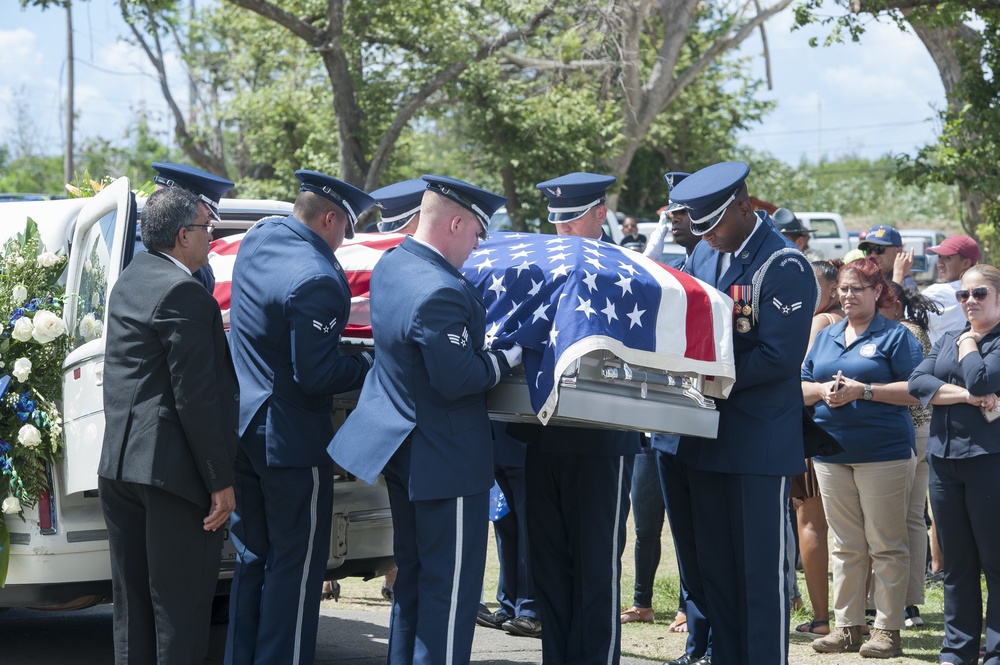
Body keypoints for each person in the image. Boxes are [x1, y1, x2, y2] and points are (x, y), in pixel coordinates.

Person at [328, 175, 520, 665]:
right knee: (449, 592)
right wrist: (508, 357)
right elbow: (458, 377)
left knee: (413, 579)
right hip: (445, 460)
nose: (478, 246)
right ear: (455, 222)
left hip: (405, 449)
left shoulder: (394, 263)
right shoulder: (440, 290)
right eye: (477, 233)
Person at [659, 162, 816, 665]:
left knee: (758, 575)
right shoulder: (707, 251)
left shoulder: (783, 263)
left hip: (756, 442)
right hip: (704, 437)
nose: (707, 237)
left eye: (714, 224)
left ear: (746, 206)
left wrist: (704, 378)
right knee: (716, 572)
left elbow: (778, 356)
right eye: (699, 227)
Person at [225, 170, 377, 665]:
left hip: (244, 428)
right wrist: (369, 364)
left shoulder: (260, 237)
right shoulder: (318, 278)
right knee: (297, 564)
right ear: (329, 218)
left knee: (253, 559)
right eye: (343, 230)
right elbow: (316, 375)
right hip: (290, 440)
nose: (343, 243)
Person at [98, 187, 239, 665]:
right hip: (171, 475)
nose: (211, 237)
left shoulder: (131, 278)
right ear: (183, 236)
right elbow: (195, 398)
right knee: (179, 613)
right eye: (206, 228)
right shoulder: (185, 291)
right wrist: (220, 481)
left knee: (134, 611)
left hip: (121, 469)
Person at [506, 172, 641, 665]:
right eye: (556, 222)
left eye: (573, 220)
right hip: (541, 436)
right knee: (547, 566)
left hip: (603, 438)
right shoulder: (540, 267)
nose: (561, 231)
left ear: (601, 215)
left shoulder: (630, 268)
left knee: (594, 568)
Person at [801, 257, 922, 659]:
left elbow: (917, 390)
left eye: (858, 289)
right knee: (846, 544)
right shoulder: (826, 335)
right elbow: (799, 385)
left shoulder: (896, 336)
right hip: (831, 453)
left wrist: (864, 390)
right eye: (844, 289)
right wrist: (821, 391)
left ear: (877, 292)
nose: (848, 295)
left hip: (883, 452)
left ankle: (888, 629)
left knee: (886, 544)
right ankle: (848, 626)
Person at [909, 264, 1000, 665]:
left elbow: (982, 379)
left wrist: (969, 346)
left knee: (995, 561)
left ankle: (996, 651)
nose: (969, 302)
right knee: (956, 563)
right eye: (963, 295)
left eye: (979, 293)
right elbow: (917, 383)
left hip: (989, 462)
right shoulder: (946, 336)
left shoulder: (986, 341)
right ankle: (958, 650)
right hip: (944, 462)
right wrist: (964, 398)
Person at [879, 282, 940, 630]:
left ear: (893, 304)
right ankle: (909, 605)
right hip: (924, 433)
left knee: (895, 520)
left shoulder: (896, 333)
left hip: (904, 435)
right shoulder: (916, 329)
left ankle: (893, 604)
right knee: (914, 519)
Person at [791, 259, 845, 639]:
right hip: (848, 435)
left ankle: (823, 618)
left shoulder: (820, 322)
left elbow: (802, 374)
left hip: (815, 431)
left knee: (811, 522)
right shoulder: (851, 321)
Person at [151, 161, 234, 293]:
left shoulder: (130, 241)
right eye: (207, 214)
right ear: (182, 203)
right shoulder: (192, 262)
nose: (208, 224)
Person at [924, 234, 981, 345]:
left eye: (947, 258)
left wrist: (899, 275)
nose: (940, 263)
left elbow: (899, 317)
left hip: (938, 359)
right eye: (939, 257)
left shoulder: (938, 293)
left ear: (965, 263)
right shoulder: (982, 292)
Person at [644, 171, 692, 265]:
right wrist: (648, 259)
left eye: (683, 211)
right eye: (673, 213)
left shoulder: (717, 263)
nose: (675, 219)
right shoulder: (674, 267)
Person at [858, 223, 918, 290]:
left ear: (898, 251)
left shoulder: (906, 285)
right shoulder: (861, 281)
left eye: (879, 249)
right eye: (868, 250)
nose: (872, 255)